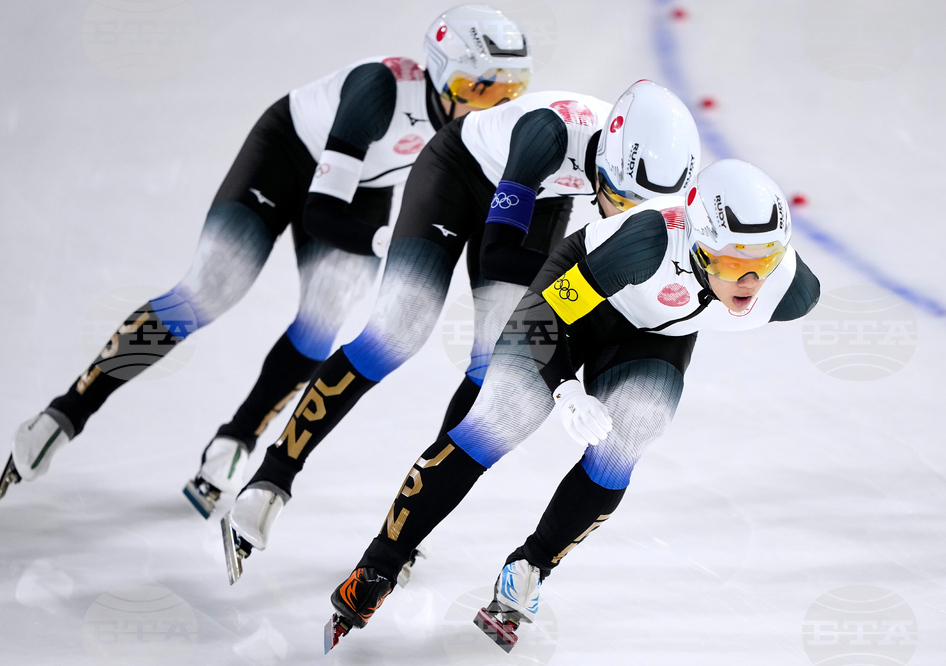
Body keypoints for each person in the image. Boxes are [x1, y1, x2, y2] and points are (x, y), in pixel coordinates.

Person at [0, 5, 534, 511]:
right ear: (442, 76)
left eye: (509, 93)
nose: (491, 107)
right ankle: (68, 410)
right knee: (208, 290)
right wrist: (386, 243)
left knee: (323, 322)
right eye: (478, 88)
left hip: (362, 187)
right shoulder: (379, 89)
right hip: (285, 159)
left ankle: (239, 436)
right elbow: (323, 215)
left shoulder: (477, 131)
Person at [322, 159, 821, 652]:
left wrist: (750, 267)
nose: (752, 282)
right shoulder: (642, 246)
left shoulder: (792, 290)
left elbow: (769, 277)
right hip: (572, 306)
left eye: (766, 263)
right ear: (696, 245)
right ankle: (378, 565)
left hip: (651, 335)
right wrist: (564, 387)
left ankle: (532, 566)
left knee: (629, 437)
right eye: (734, 264)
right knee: (500, 419)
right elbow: (549, 312)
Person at [220, 80, 703, 585]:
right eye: (619, 202)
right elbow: (498, 253)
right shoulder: (550, 134)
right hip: (458, 176)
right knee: (397, 329)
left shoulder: (638, 165)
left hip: (540, 195)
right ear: (602, 165)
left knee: (492, 358)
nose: (628, 222)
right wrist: (581, 283)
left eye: (644, 213)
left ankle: (408, 524)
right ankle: (274, 475)